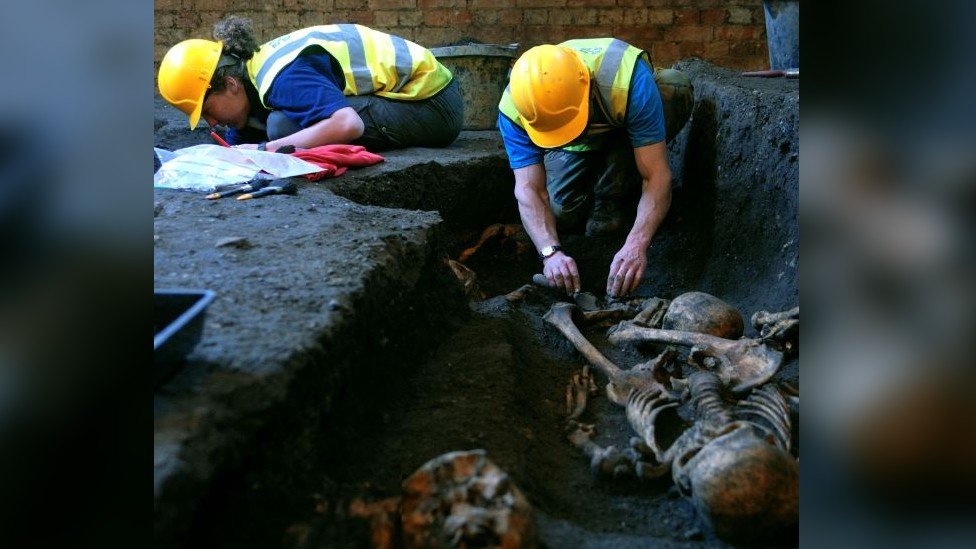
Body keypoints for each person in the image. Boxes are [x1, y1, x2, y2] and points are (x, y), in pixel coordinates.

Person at [497, 39, 693, 298]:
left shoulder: (628, 81)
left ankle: (616, 195)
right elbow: (529, 188)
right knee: (560, 213)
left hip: (623, 124)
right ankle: (596, 174)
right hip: (573, 146)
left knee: (672, 87)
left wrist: (636, 245)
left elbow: (656, 175)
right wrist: (550, 253)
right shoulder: (516, 107)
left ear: (587, 86)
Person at [157, 16, 463, 152]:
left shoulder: (282, 77)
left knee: (282, 128)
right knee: (274, 125)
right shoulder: (253, 72)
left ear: (232, 84)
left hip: (433, 105)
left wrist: (266, 148)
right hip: (419, 99)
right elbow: (242, 132)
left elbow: (349, 125)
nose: (211, 122)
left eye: (208, 109)